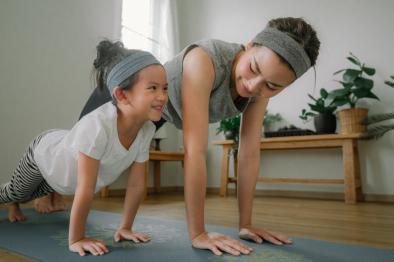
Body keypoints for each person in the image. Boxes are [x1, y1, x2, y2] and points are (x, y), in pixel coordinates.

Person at [38, 16, 320, 256]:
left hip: (159, 115)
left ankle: (53, 196)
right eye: (254, 69)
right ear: (249, 46)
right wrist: (198, 233)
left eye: (272, 85)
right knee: (73, 153)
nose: (253, 86)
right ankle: (47, 192)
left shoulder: (258, 90)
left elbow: (248, 153)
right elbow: (194, 151)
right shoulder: (205, 59)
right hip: (130, 101)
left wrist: (245, 224)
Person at [0, 40, 168, 256]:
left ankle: (16, 201)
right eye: (152, 88)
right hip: (43, 155)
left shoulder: (145, 130)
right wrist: (77, 238)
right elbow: (85, 188)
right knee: (16, 192)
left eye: (164, 88)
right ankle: (13, 201)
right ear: (122, 95)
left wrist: (125, 227)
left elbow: (136, 186)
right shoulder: (98, 125)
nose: (162, 96)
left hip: (61, 176)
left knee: (28, 194)